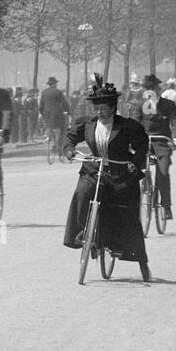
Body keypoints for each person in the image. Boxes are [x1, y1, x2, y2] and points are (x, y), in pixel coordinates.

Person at [62, 76, 152, 280]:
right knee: (83, 192)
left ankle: (141, 262)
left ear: (113, 108)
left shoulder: (127, 126)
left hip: (120, 173)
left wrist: (134, 163)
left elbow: (142, 145)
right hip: (95, 170)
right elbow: (70, 137)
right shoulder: (88, 124)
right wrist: (69, 150)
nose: (99, 112)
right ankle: (84, 230)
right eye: (97, 108)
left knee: (126, 212)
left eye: (104, 108)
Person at [140, 73, 176, 220]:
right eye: (148, 89)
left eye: (153, 88)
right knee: (131, 170)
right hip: (144, 142)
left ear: (158, 89)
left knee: (163, 172)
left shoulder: (168, 105)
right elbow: (133, 123)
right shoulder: (142, 105)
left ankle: (166, 206)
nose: (150, 91)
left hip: (162, 142)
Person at [39, 76, 71, 150]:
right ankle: (58, 144)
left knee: (49, 126)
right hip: (57, 113)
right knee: (62, 127)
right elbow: (64, 103)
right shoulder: (58, 92)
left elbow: (41, 105)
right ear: (54, 84)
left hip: (47, 113)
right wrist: (68, 111)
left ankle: (49, 136)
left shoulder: (44, 92)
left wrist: (42, 113)